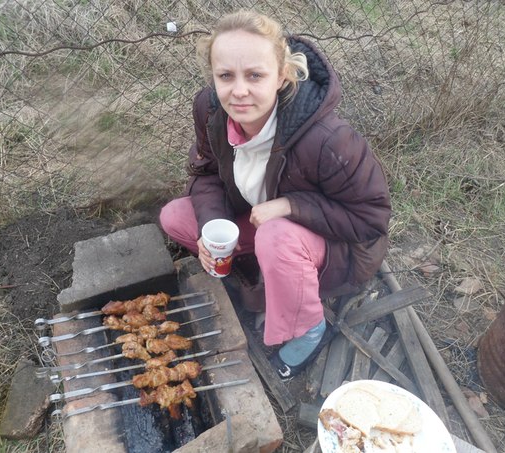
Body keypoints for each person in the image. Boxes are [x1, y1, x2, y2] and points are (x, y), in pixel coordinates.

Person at [160, 10, 391, 379]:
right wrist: (212, 227)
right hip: (259, 220)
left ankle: (309, 328)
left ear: (282, 75)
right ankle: (261, 279)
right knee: (176, 217)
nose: (239, 91)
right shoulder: (210, 109)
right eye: (226, 76)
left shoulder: (328, 140)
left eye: (255, 75)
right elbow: (206, 172)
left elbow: (371, 219)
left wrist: (290, 205)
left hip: (335, 248)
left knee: (276, 236)